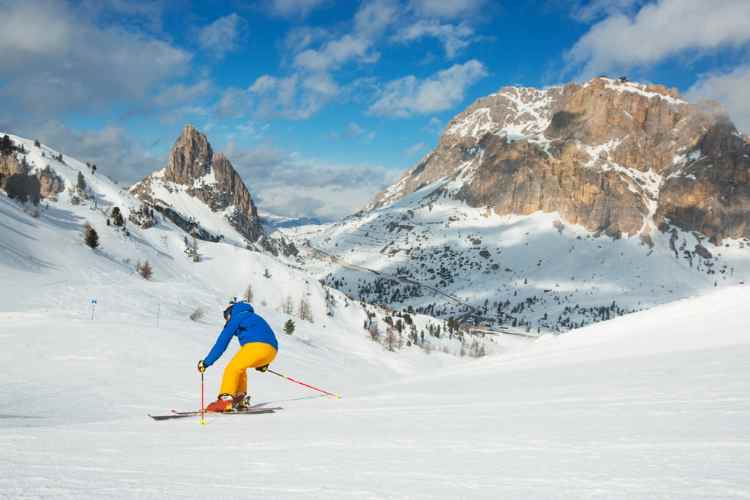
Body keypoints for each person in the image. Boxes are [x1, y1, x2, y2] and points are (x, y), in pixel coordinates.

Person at [198, 298, 279, 412]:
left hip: (255, 347)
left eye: (226, 317)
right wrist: (263, 362)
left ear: (230, 312)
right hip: (272, 351)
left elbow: (222, 343)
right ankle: (240, 399)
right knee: (240, 367)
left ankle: (225, 400)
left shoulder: (237, 317)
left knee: (232, 368)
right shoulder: (255, 318)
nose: (226, 320)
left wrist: (206, 362)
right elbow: (266, 337)